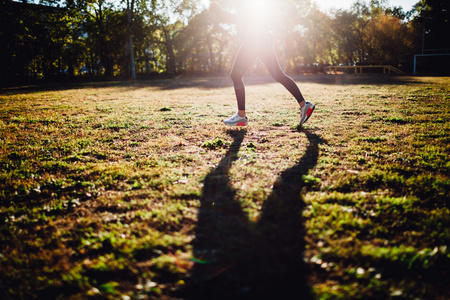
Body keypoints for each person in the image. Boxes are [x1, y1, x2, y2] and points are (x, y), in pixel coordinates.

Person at [209, 0, 315, 127]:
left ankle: (241, 116)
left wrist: (217, 10)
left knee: (236, 75)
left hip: (256, 39)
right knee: (278, 75)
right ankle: (304, 105)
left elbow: (239, 19)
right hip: (263, 38)